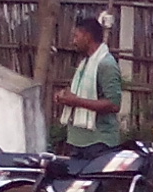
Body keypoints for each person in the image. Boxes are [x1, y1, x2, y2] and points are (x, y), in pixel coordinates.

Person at [50, 10, 126, 152]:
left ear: (87, 36)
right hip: (79, 142)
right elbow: (83, 95)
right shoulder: (86, 63)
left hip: (99, 144)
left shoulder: (106, 64)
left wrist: (76, 101)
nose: (74, 41)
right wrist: (65, 97)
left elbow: (114, 105)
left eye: (76, 36)